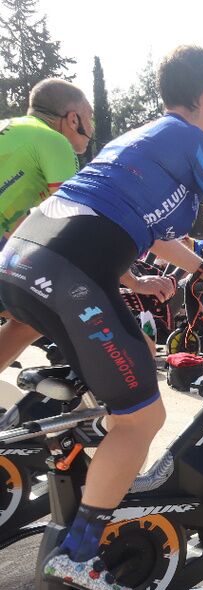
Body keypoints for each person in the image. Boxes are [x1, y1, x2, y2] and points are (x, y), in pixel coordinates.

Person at [0, 45, 203, 590]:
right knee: (141, 416)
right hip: (73, 271)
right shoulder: (197, 141)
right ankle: (77, 556)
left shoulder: (134, 140)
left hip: (18, 257)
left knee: (28, 323)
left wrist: (202, 266)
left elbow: (142, 232)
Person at [0, 78, 92, 371]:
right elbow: (73, 222)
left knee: (27, 316)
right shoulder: (54, 142)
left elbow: (19, 227)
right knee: (35, 314)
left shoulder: (14, 129)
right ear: (73, 119)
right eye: (90, 118)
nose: (91, 129)